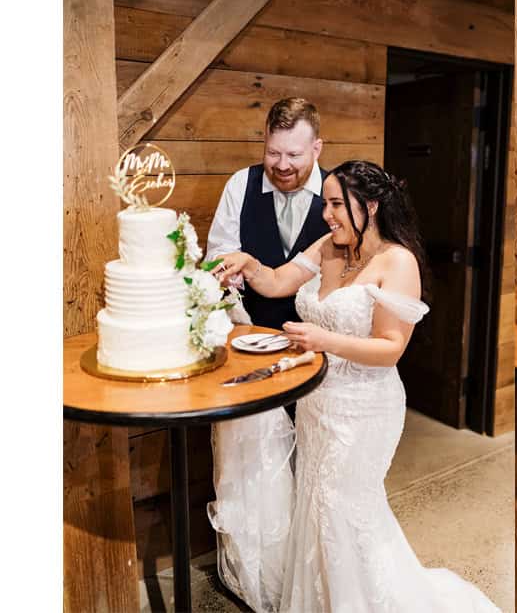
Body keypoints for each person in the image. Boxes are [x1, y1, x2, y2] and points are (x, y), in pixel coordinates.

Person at [207, 160, 501, 612]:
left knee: (341, 506)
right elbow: (278, 281)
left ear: (371, 205)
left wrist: (323, 341)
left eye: (336, 204)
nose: (327, 214)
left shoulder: (397, 261)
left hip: (366, 408)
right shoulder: (329, 246)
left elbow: (390, 347)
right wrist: (249, 263)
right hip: (318, 405)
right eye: (326, 203)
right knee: (316, 507)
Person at [207, 97, 330, 329]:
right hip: (250, 330)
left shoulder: (336, 192)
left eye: (293, 155)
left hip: (318, 337)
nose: (282, 166)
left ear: (316, 149)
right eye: (273, 153)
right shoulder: (241, 183)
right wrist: (229, 272)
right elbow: (220, 252)